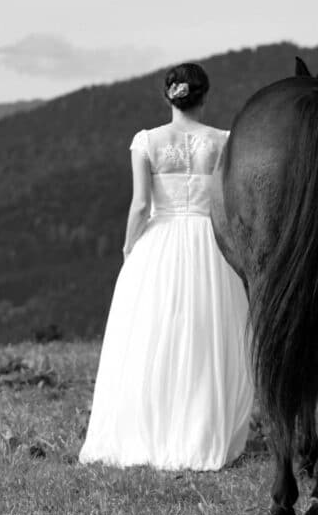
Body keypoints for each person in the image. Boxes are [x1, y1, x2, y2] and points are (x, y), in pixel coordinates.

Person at [78, 63, 253, 471]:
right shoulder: (223, 141)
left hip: (160, 242)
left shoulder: (147, 141)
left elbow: (141, 204)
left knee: (152, 333)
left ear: (168, 95)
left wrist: (128, 246)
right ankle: (202, 427)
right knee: (207, 333)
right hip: (210, 243)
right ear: (204, 96)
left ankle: (149, 425)